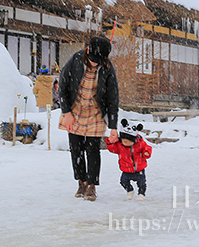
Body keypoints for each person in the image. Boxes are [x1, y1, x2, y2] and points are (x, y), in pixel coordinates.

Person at [59, 36, 119, 201]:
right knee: (76, 148)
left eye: (98, 61)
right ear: (87, 51)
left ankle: (91, 185)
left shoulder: (107, 67)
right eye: (93, 60)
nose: (95, 63)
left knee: (92, 150)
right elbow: (62, 85)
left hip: (95, 112)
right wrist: (66, 112)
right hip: (75, 111)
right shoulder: (76, 60)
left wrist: (113, 126)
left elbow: (113, 97)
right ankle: (82, 181)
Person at [105, 119, 152, 201]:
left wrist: (146, 152)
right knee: (123, 181)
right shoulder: (119, 146)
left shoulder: (139, 144)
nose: (125, 143)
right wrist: (110, 142)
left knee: (141, 183)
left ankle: (141, 193)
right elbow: (112, 149)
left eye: (128, 142)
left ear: (133, 140)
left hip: (139, 169)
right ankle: (129, 190)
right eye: (124, 141)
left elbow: (147, 147)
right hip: (126, 169)